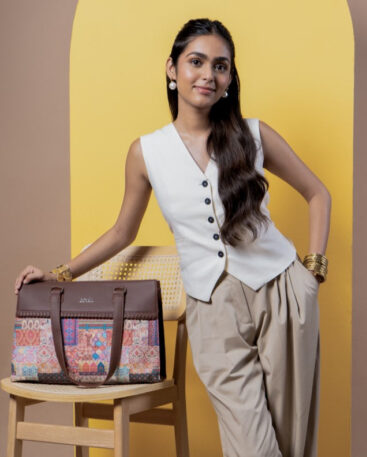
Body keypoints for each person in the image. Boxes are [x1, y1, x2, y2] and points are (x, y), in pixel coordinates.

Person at [14, 18, 331, 457]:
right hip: (212, 309)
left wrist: (312, 275)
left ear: (229, 78)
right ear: (172, 68)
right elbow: (123, 231)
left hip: (281, 292)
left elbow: (318, 193)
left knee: (291, 442)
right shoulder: (147, 152)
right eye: (196, 62)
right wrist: (60, 274)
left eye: (220, 66)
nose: (208, 75)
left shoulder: (254, 135)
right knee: (254, 447)